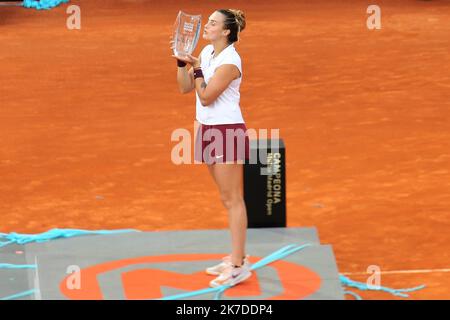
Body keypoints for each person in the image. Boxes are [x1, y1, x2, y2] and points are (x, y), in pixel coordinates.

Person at [170, 9, 252, 288]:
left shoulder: (231, 61)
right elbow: (184, 89)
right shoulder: (206, 52)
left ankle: (239, 266)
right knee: (225, 198)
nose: (207, 26)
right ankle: (238, 256)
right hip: (206, 129)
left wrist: (197, 68)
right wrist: (183, 63)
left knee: (233, 199)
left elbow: (205, 96)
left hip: (226, 132)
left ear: (226, 31)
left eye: (213, 23)